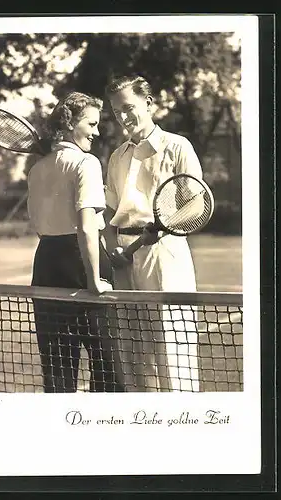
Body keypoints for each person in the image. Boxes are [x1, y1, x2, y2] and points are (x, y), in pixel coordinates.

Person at [103, 75, 203, 392]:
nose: (124, 116)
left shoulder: (177, 146)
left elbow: (196, 203)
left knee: (171, 352)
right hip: (123, 258)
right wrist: (111, 248)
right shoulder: (117, 156)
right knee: (134, 356)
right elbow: (109, 211)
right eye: (117, 111)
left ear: (148, 104)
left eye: (129, 108)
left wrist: (162, 227)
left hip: (165, 254)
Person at [27, 91, 121, 393]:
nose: (96, 132)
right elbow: (85, 226)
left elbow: (40, 228)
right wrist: (93, 279)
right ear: (69, 123)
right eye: (91, 124)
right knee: (107, 369)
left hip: (45, 262)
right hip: (82, 262)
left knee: (57, 373)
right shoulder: (87, 163)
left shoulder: (37, 169)